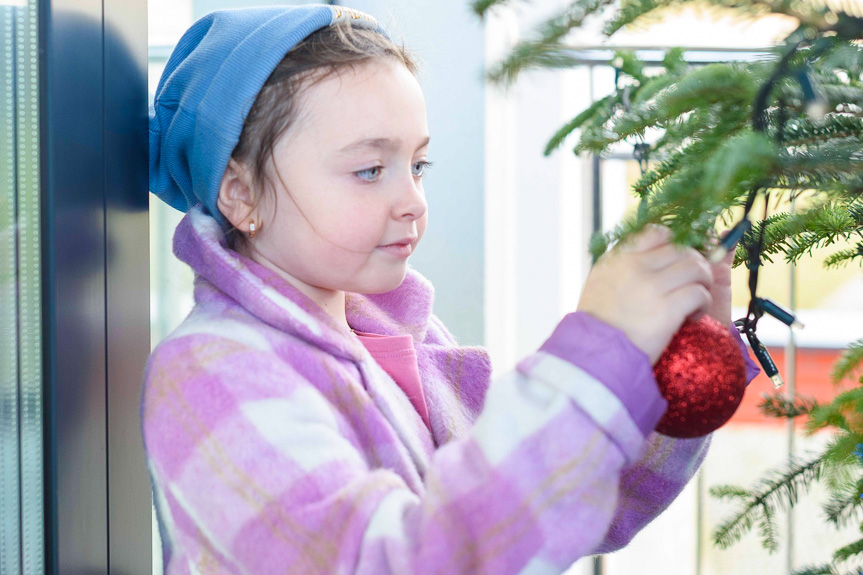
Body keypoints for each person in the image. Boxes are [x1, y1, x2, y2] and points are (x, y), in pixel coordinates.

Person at [144, 5, 759, 573]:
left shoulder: (401, 338)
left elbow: (576, 499)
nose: (412, 201)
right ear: (241, 194)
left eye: (418, 166)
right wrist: (596, 355)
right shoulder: (209, 372)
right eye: (369, 170)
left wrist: (676, 360)